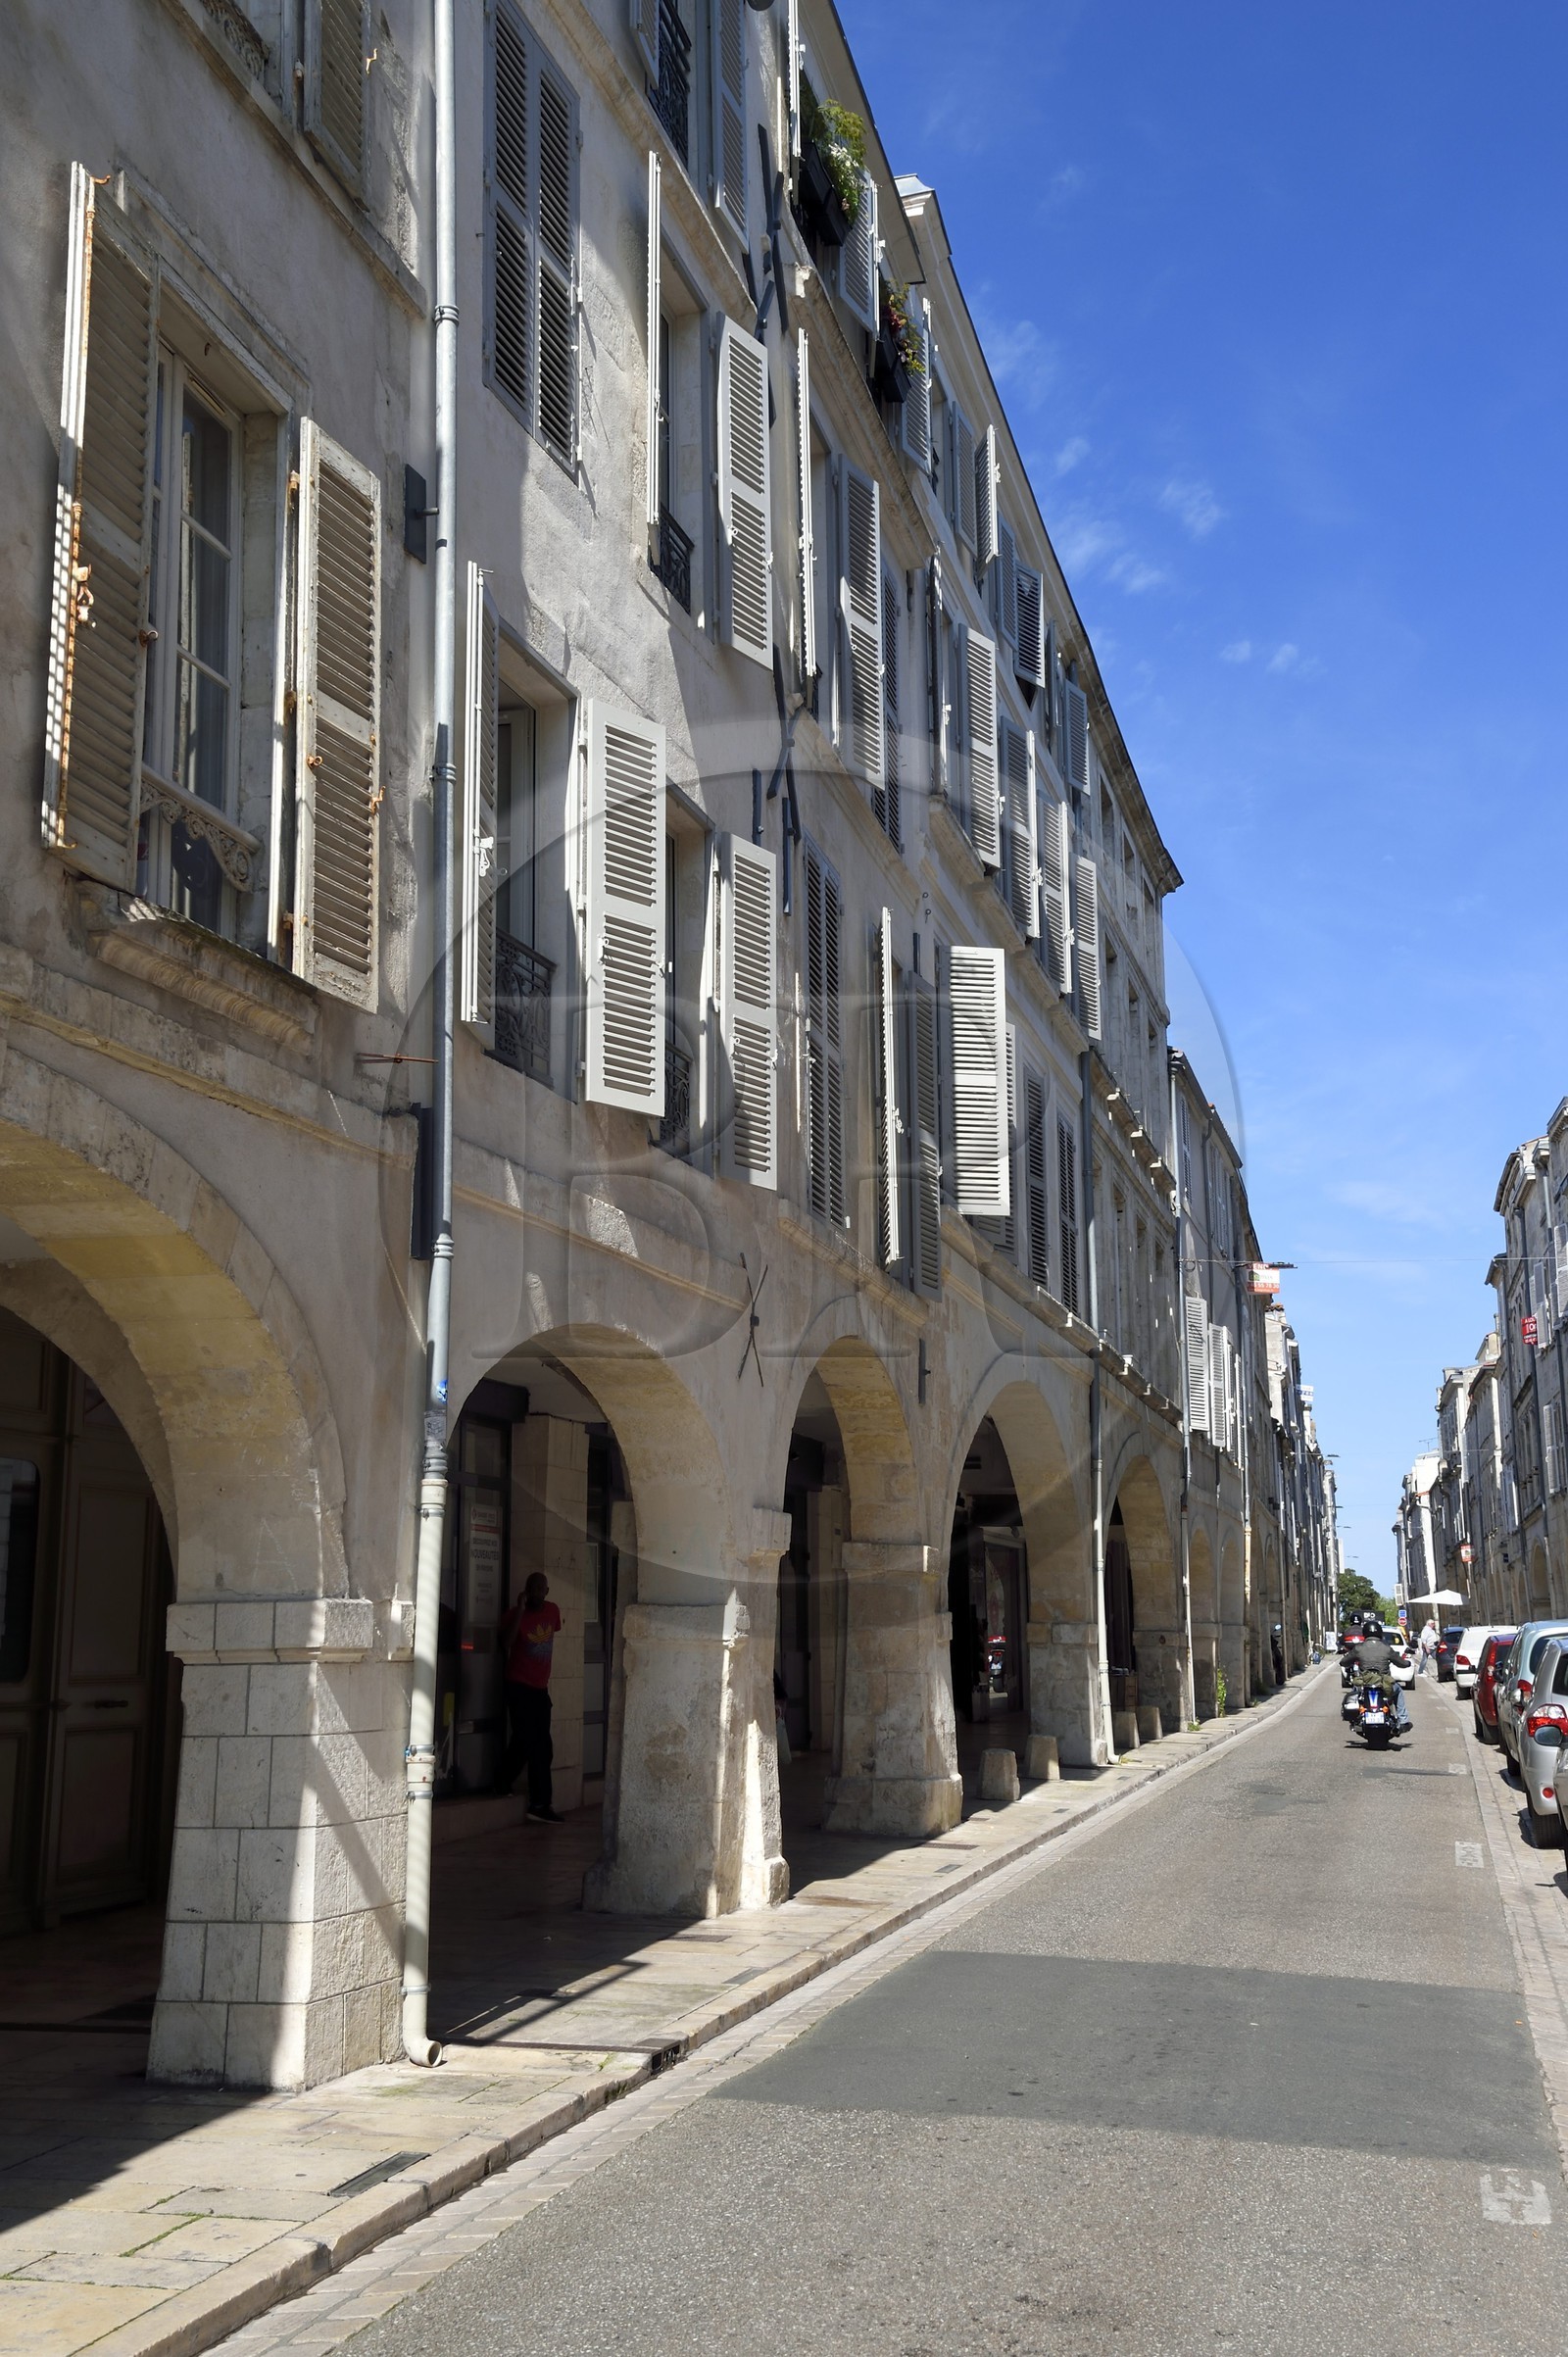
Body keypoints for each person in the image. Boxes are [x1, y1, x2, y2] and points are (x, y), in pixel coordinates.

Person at [499, 1572, 564, 1822]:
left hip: (540, 1688)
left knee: (542, 1746)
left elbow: (554, 1629)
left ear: (546, 1591)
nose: (536, 1593)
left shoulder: (553, 1611)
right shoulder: (514, 1615)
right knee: (525, 1739)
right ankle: (503, 1782)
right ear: (525, 1591)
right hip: (518, 1685)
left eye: (540, 1589)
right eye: (532, 1589)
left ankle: (540, 1804)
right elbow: (505, 1643)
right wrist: (520, 1611)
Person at [1354, 1623, 1410, 1736]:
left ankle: (1355, 1717)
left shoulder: (1358, 1648)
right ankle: (1403, 1721)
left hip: (1365, 1683)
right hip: (1383, 1684)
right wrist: (1407, 1663)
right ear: (1380, 1633)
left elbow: (1344, 1661)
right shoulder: (1386, 1648)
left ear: (1365, 1633)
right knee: (1398, 1691)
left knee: (1355, 1693)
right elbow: (1401, 1663)